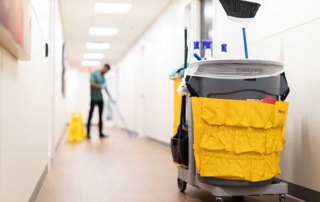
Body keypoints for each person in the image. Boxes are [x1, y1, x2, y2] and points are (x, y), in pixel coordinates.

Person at [87, 64, 115, 139]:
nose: (106, 72)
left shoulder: (103, 77)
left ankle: (100, 133)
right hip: (93, 98)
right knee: (91, 115)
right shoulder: (94, 73)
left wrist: (111, 98)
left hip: (100, 99)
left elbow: (105, 88)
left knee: (100, 116)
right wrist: (101, 86)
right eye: (106, 70)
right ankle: (88, 133)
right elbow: (92, 84)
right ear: (103, 67)